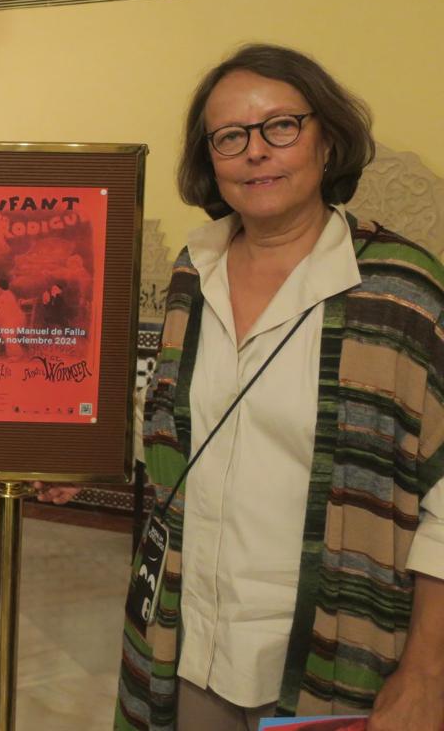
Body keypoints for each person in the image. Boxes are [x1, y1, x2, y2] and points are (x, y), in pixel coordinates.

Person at [111, 44, 444, 731]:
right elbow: (178, 438)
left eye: (281, 126)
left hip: (338, 654)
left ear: (327, 141)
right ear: (211, 161)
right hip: (186, 641)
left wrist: (427, 674)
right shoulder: (191, 272)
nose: (255, 152)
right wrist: (82, 454)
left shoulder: (403, 294)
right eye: (230, 136)